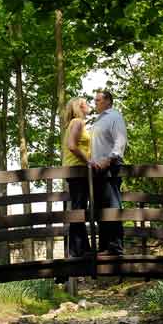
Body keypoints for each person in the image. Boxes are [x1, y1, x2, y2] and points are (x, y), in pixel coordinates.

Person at [91, 89, 128, 256]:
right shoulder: (98, 120)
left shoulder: (114, 116)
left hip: (110, 167)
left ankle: (115, 247)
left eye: (98, 100)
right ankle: (104, 246)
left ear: (107, 101)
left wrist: (110, 159)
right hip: (97, 170)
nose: (95, 103)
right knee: (100, 208)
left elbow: (120, 140)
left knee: (112, 206)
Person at [62, 96, 93, 258]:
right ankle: (77, 250)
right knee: (79, 209)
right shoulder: (78, 122)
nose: (89, 105)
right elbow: (72, 146)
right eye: (86, 104)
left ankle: (81, 248)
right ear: (80, 107)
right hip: (78, 170)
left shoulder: (76, 123)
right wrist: (89, 161)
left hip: (76, 171)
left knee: (78, 208)